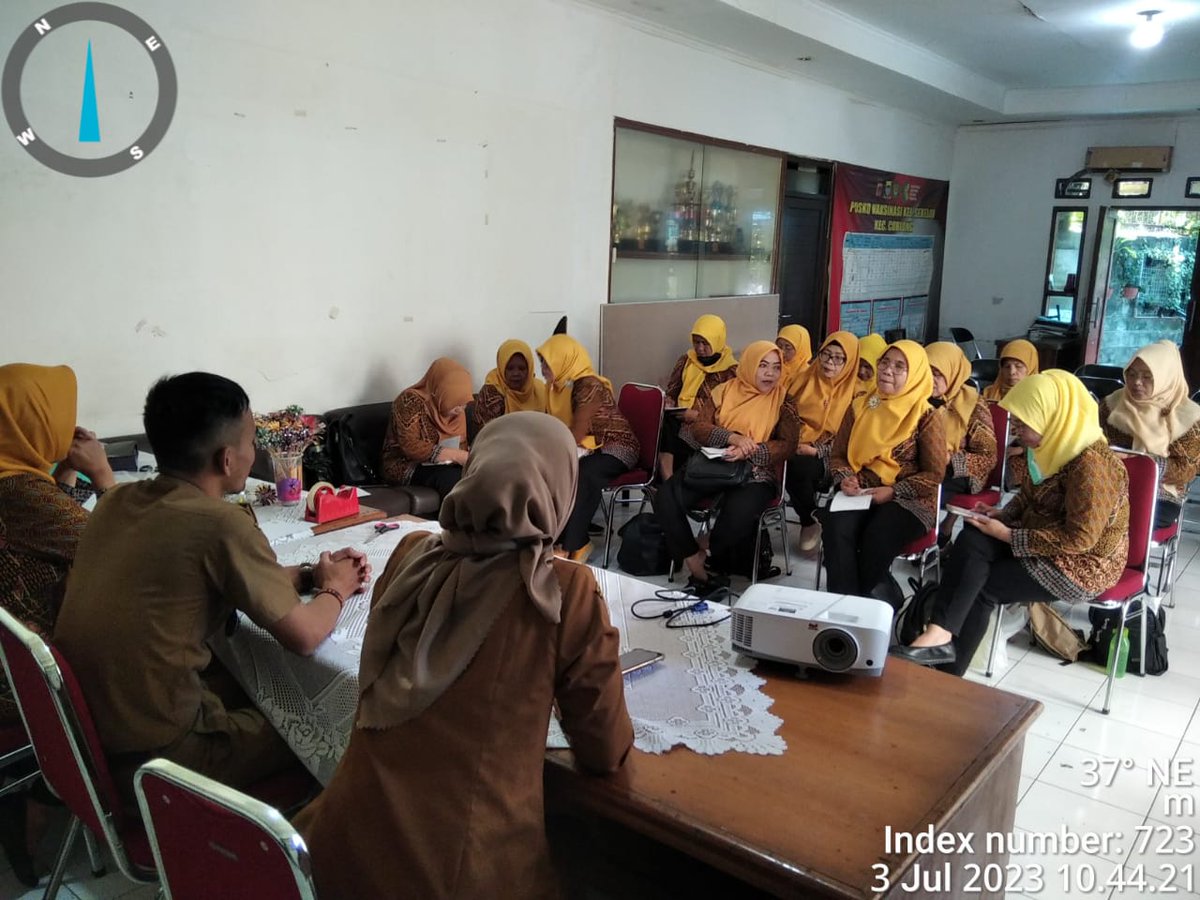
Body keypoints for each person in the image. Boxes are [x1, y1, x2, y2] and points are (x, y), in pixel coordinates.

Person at [294, 413, 633, 900]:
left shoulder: (413, 554)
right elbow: (604, 750)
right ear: (562, 488)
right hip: (463, 870)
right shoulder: (562, 589)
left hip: (342, 845)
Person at [54, 372, 371, 805]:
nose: (255, 451)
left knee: (261, 679)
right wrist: (335, 589)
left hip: (86, 736)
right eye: (251, 441)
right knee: (343, 723)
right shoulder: (220, 524)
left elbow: (205, 582)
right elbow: (305, 635)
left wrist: (306, 575)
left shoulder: (117, 502)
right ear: (226, 459)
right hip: (160, 757)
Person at [893, 371, 1129, 675]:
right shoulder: (1051, 445)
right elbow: (1027, 497)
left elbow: (1081, 540)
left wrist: (1008, 536)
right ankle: (939, 634)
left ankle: (947, 672)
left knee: (983, 585)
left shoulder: (1092, 466)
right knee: (973, 538)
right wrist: (1002, 516)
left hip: (1081, 564)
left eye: (1022, 422)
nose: (1015, 430)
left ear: (1051, 417)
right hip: (1041, 538)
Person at [0, 363, 116, 886]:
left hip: (12, 654)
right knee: (146, 674)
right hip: (27, 679)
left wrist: (62, 473)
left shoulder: (13, 478)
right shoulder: (19, 495)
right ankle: (48, 797)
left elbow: (48, 528)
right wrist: (104, 476)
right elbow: (119, 548)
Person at [655, 341, 799, 591]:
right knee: (666, 496)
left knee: (738, 514)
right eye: (763, 366)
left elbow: (788, 444)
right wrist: (732, 438)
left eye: (776, 368)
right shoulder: (724, 390)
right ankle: (693, 560)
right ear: (748, 365)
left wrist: (750, 450)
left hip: (755, 471)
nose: (770, 373)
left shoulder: (784, 399)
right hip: (715, 463)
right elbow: (699, 427)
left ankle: (706, 551)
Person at [815, 341, 947, 600]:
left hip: (910, 498)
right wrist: (845, 478)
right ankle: (844, 607)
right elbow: (839, 454)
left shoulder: (927, 415)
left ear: (916, 374)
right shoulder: (861, 405)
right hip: (861, 489)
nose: (887, 370)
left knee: (877, 534)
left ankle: (861, 608)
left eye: (900, 366)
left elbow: (934, 475)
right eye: (884, 363)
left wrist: (893, 491)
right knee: (837, 527)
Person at [537, 334, 638, 561]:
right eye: (541, 361)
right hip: (590, 450)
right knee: (556, 472)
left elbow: (578, 431)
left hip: (617, 447)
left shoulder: (587, 385)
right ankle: (560, 539)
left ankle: (575, 544)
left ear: (562, 359)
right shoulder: (556, 388)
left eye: (547, 361)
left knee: (580, 474)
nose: (542, 367)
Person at [1100, 340, 1200, 529]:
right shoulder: (1110, 405)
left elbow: (1185, 470)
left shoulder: (1189, 417)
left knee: (1128, 520)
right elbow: (1093, 443)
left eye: (1147, 377)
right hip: (1108, 486)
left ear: (1165, 377)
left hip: (1159, 495)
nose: (1137, 382)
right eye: (1132, 374)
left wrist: (1136, 461)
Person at [783, 332, 861, 552]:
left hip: (833, 455)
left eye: (838, 358)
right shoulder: (804, 379)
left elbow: (853, 438)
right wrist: (790, 439)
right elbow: (785, 414)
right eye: (826, 354)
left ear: (850, 361)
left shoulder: (858, 394)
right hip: (794, 444)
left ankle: (809, 520)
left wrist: (817, 450)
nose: (829, 362)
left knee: (797, 467)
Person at [925, 342, 998, 547]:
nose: (929, 379)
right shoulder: (916, 398)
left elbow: (988, 457)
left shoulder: (972, 404)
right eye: (925, 372)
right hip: (922, 463)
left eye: (937, 374)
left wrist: (950, 459)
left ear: (953, 374)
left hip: (960, 472)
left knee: (921, 487)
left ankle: (928, 539)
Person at [381, 357, 474, 502]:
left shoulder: (458, 411)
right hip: (405, 464)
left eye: (463, 404)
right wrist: (454, 455)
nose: (460, 409)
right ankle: (453, 523)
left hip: (442, 464)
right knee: (451, 479)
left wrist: (463, 458)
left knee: (475, 475)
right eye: (455, 402)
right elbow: (410, 446)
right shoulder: (409, 401)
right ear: (440, 391)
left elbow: (461, 446)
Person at [659, 315, 738, 481]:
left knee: (668, 432)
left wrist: (696, 416)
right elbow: (673, 390)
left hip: (705, 427)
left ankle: (667, 480)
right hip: (678, 419)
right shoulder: (687, 360)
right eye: (696, 342)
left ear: (717, 340)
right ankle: (666, 479)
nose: (700, 348)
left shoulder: (730, 371)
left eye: (705, 343)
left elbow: (729, 413)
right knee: (661, 424)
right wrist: (670, 401)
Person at [472, 339, 547, 437]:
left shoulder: (539, 389)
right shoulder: (491, 394)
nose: (516, 373)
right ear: (501, 368)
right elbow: (488, 437)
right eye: (510, 368)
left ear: (530, 369)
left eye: (522, 368)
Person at [776, 324, 813, 395]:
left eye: (788, 347)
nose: (782, 351)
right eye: (779, 346)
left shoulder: (806, 374)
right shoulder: (773, 367)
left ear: (800, 348)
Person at [855, 333, 888, 399]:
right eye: (858, 365)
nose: (861, 371)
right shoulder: (847, 386)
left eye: (867, 366)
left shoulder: (888, 392)